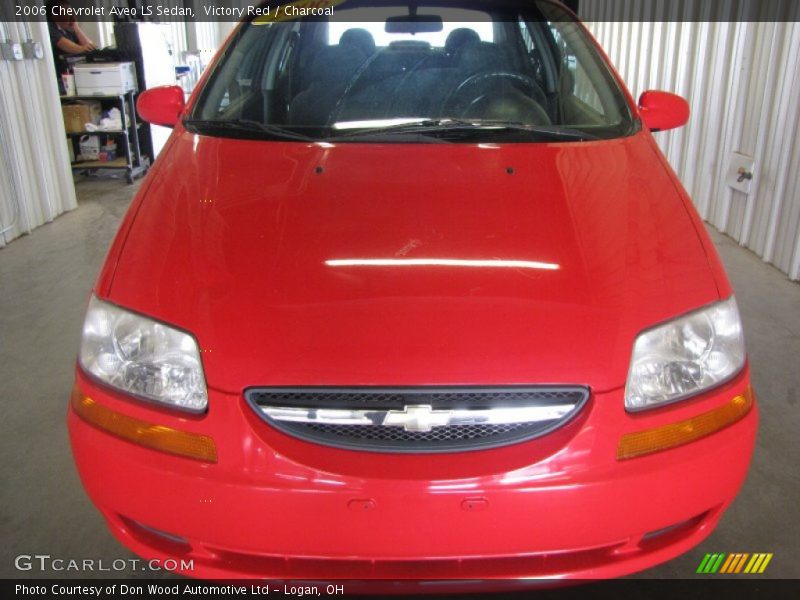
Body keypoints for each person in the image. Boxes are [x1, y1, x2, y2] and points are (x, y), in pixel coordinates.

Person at [46, 0, 96, 92]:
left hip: (73, 76)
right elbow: (65, 45)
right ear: (55, 15)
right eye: (66, 12)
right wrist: (82, 48)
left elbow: (90, 47)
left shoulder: (69, 30)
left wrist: (76, 28)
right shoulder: (50, 29)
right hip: (60, 79)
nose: (70, 15)